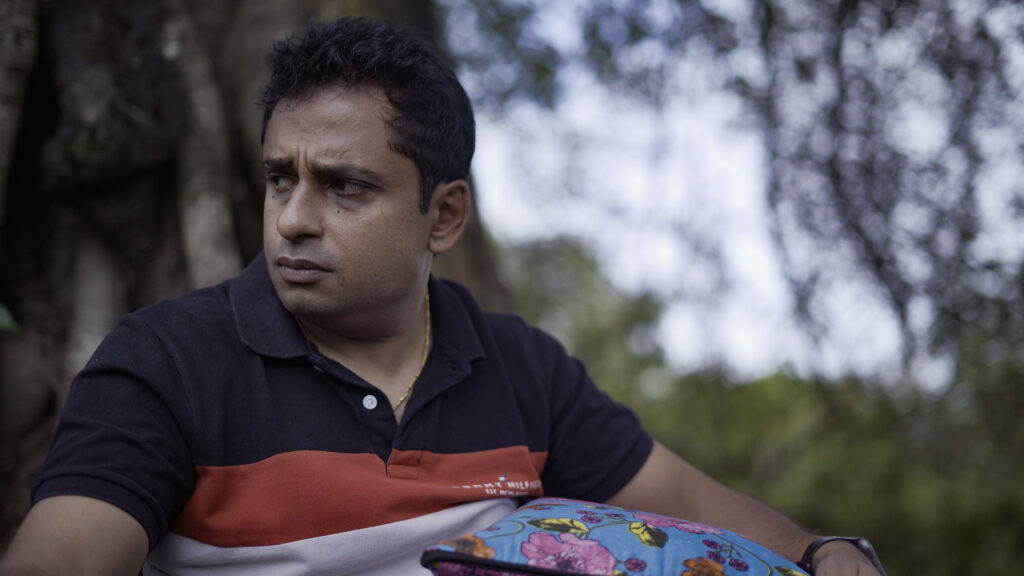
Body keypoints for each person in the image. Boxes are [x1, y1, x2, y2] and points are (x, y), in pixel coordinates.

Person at [0, 17, 885, 576]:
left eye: (344, 187)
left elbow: (686, 508)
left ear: (445, 216)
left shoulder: (520, 367)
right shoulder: (165, 363)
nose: (294, 220)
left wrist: (826, 552)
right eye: (280, 179)